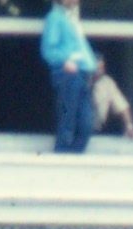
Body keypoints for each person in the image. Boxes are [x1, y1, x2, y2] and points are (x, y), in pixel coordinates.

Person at [41, 0, 99, 155]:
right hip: (68, 75)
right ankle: (61, 159)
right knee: (67, 123)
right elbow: (48, 50)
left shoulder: (72, 19)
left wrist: (93, 64)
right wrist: (65, 61)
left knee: (86, 124)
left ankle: (72, 159)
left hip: (83, 75)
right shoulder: (54, 18)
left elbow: (81, 47)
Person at [92, 67, 133, 139]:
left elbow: (122, 106)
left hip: (95, 132)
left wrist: (130, 127)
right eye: (97, 67)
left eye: (102, 67)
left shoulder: (106, 82)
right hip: (75, 130)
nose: (100, 70)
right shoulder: (77, 79)